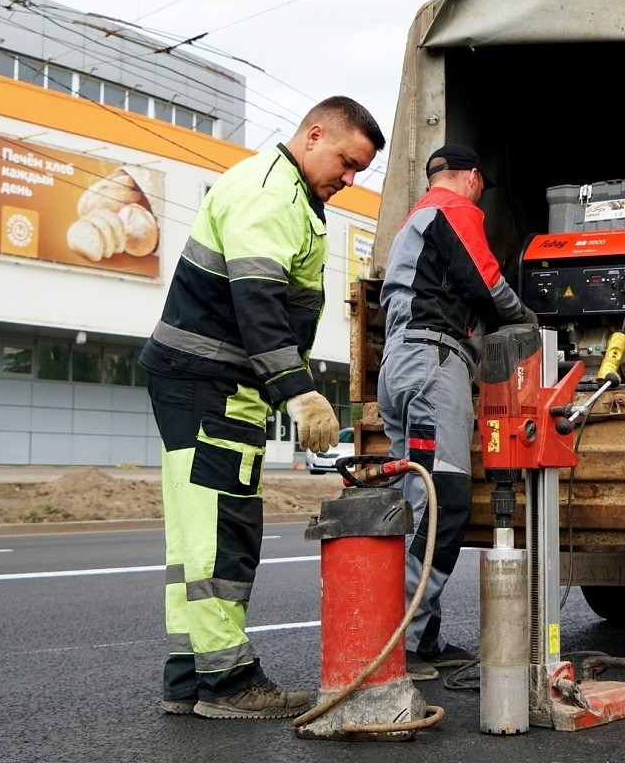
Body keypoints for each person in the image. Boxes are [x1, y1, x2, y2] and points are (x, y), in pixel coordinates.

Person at [139, 95, 385, 719]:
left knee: (199, 534)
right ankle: (227, 682)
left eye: (359, 171)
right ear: (314, 134)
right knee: (222, 532)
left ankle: (189, 676)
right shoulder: (270, 193)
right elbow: (257, 303)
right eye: (346, 162)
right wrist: (298, 390)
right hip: (207, 383)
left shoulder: (291, 195)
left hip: (212, 383)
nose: (350, 179)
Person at [377, 144, 538, 681]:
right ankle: (407, 640)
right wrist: (527, 320)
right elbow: (484, 282)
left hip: (401, 364)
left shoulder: (413, 221)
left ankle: (416, 636)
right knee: (443, 499)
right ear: (471, 176)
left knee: (416, 497)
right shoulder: (455, 209)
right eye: (482, 189)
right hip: (433, 363)